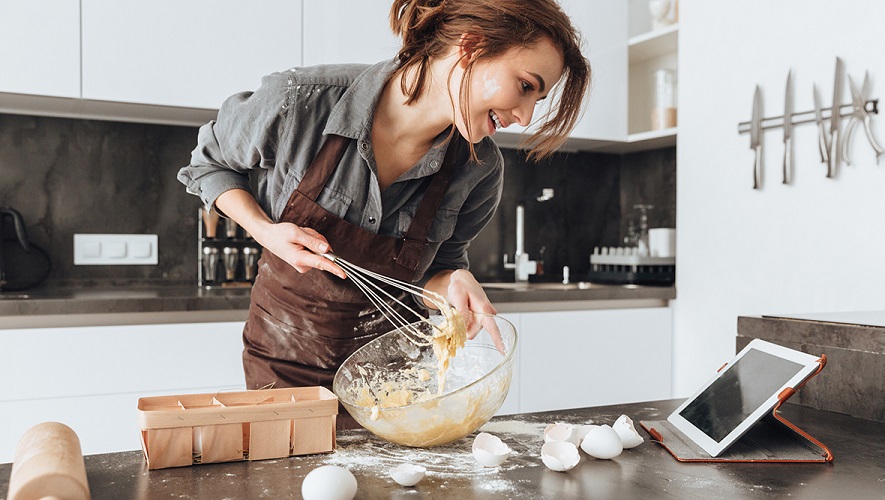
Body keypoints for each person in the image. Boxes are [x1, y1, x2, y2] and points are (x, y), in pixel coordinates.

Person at [177, 0, 589, 428]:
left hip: (398, 383)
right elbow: (208, 164)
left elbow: (439, 268)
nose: (524, 116)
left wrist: (454, 281)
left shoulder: (478, 170)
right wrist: (265, 231)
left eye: (537, 99)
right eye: (525, 86)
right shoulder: (301, 102)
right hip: (283, 369)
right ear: (471, 48)